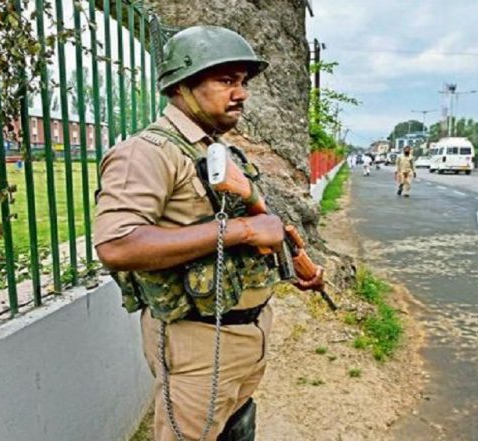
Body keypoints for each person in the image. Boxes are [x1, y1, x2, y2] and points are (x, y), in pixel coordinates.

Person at [94, 25, 325, 441]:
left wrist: (293, 268)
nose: (241, 93)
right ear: (182, 85)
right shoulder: (147, 153)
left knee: (234, 429)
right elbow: (117, 244)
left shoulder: (213, 150)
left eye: (242, 82)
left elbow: (255, 234)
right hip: (197, 340)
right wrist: (240, 229)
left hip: (245, 331)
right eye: (226, 80)